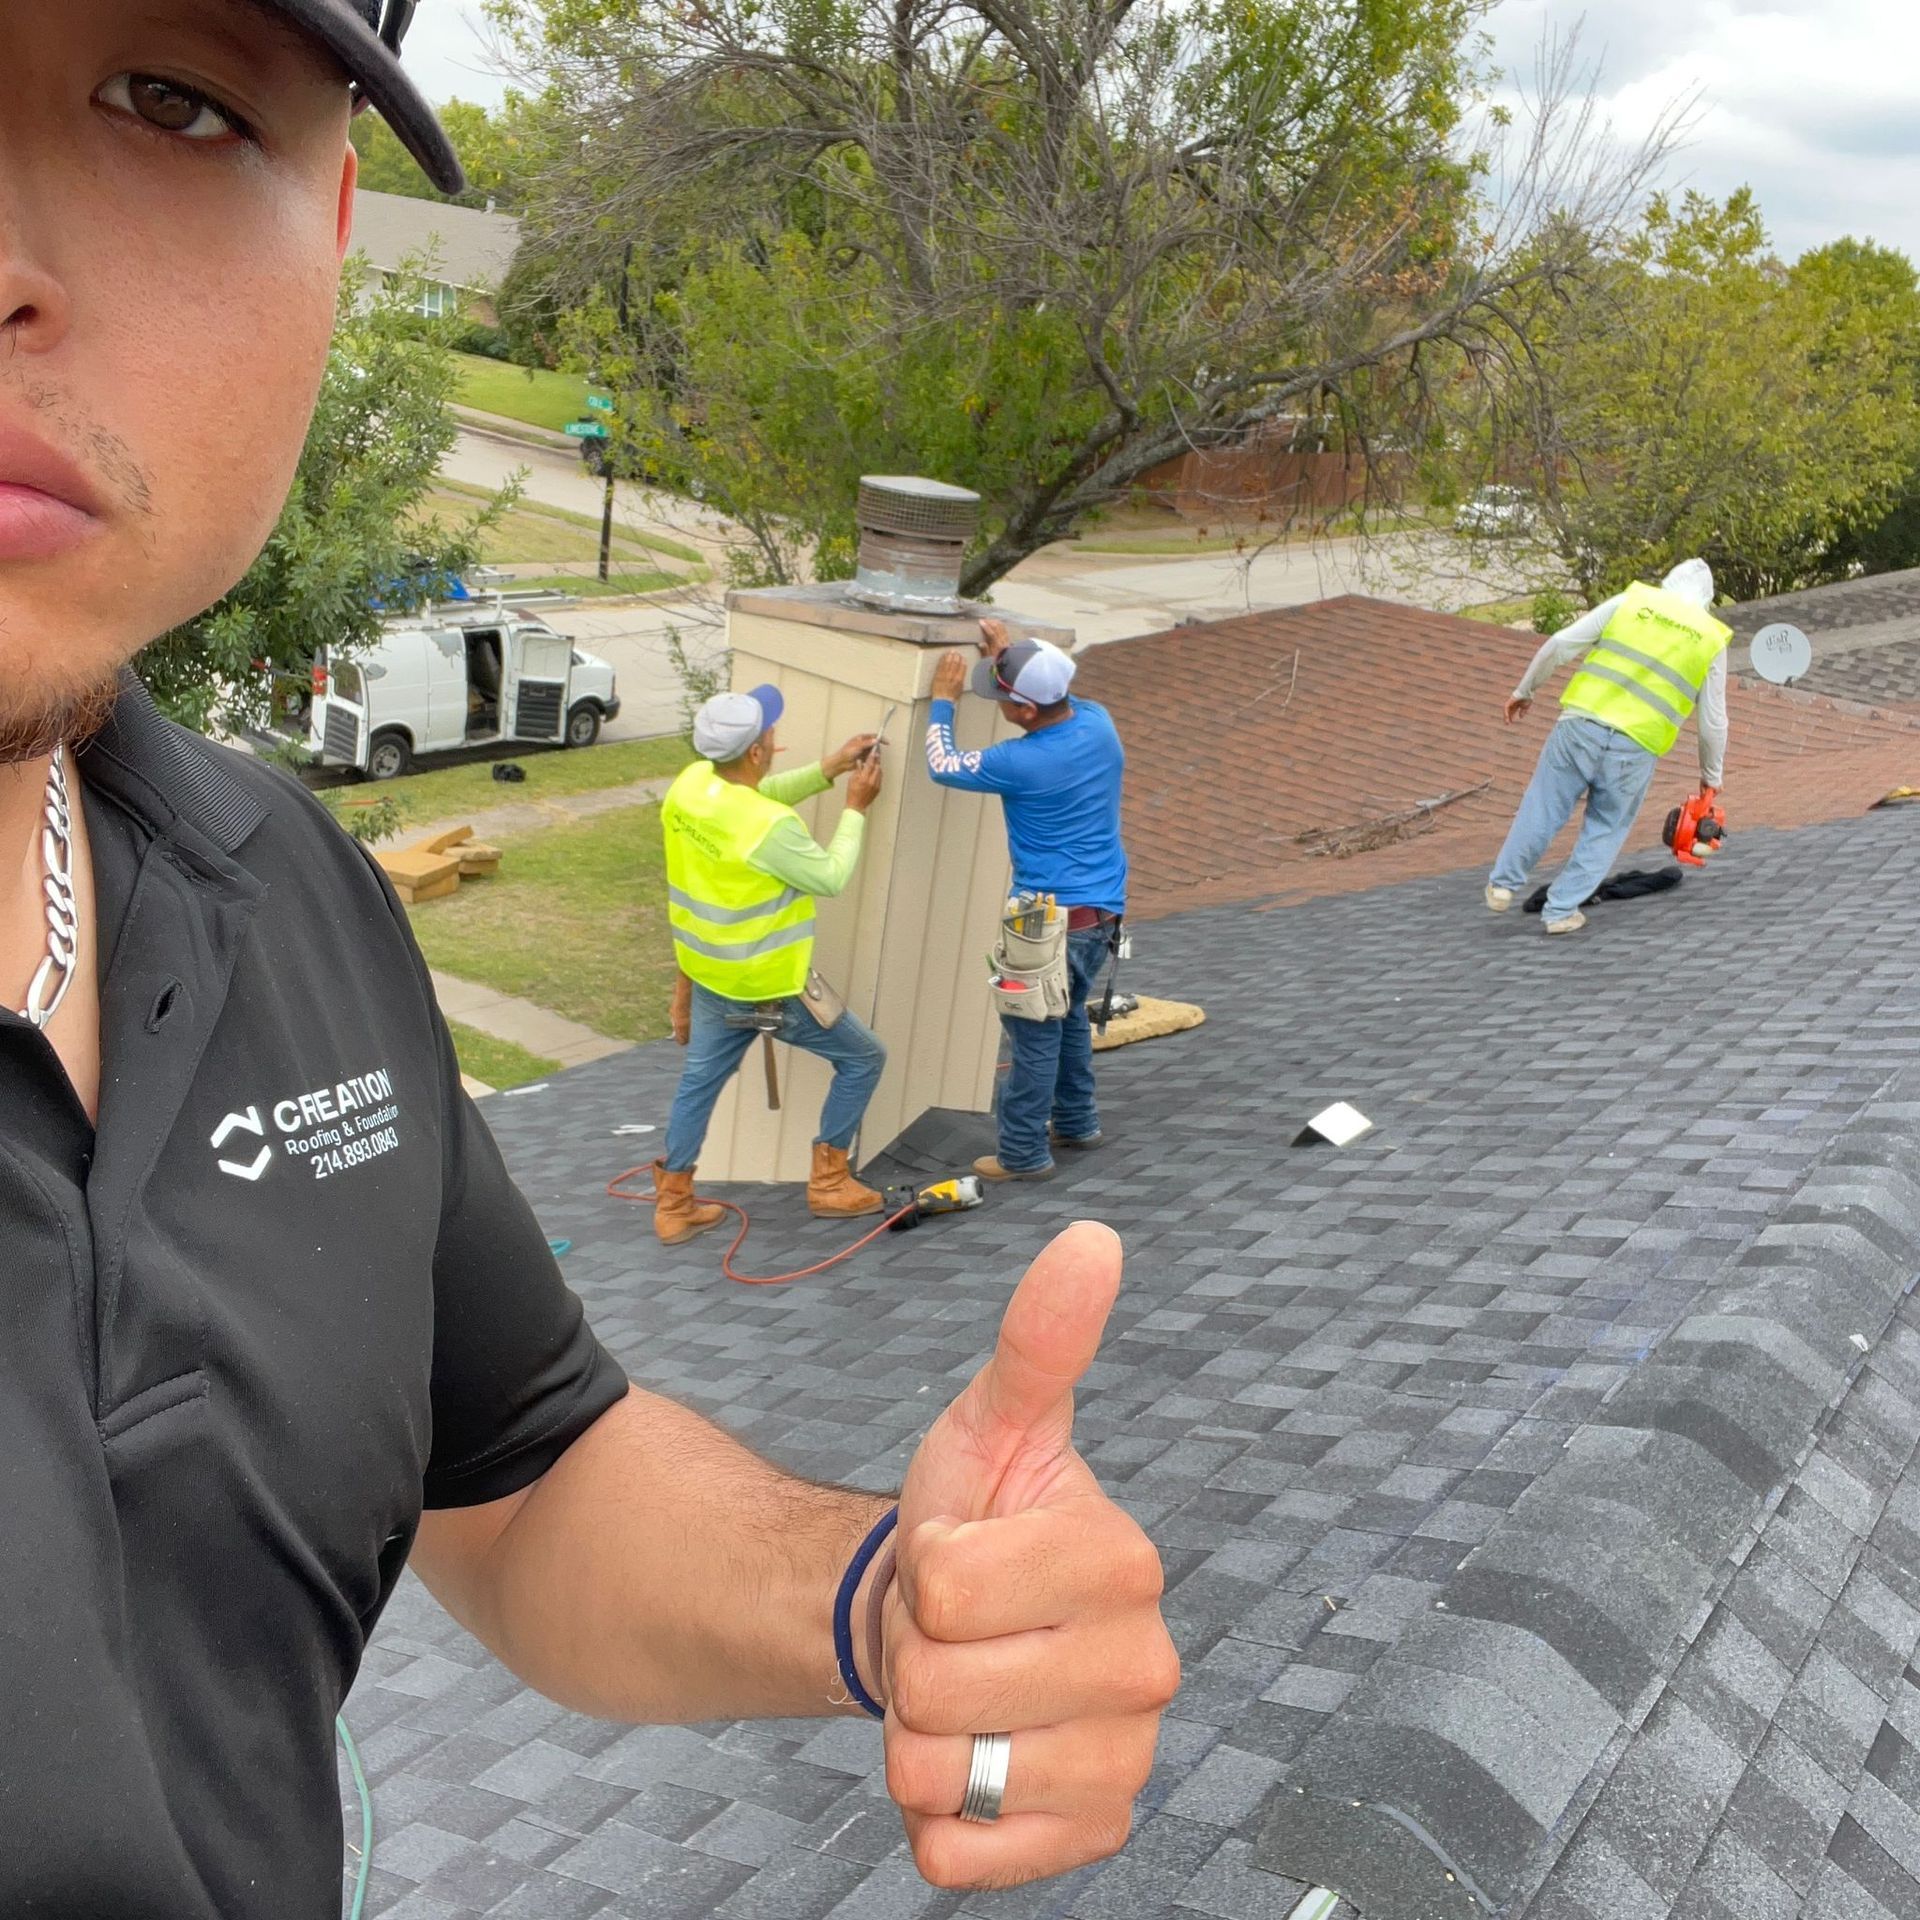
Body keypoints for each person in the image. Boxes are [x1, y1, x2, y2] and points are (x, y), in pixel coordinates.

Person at [0, 7, 1177, 1912]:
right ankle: (839, 1158)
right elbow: (845, 836)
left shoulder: (283, 888)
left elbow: (529, 1473)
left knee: (735, 1077)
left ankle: (706, 1171)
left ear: (334, 236)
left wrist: (882, 1593)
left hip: (732, 973)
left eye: (173, 102)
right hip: (816, 960)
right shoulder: (885, 784)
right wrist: (877, 785)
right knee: (884, 1064)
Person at [657, 685, 889, 1236]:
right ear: (758, 751)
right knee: (864, 1058)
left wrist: (829, 767)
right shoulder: (769, 827)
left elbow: (756, 798)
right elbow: (829, 876)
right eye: (769, 732)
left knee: (697, 1086)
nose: (773, 735)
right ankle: (830, 1182)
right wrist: (855, 807)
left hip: (711, 977)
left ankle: (672, 1206)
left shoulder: (690, 786)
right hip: (770, 987)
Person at [927, 620, 1128, 1181]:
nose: (999, 705)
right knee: (1066, 1016)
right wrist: (1008, 658)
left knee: (1033, 1033)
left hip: (1048, 923)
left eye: (1003, 698)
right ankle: (1077, 1122)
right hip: (1102, 914)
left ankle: (1021, 1154)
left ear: (1026, 710)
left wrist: (943, 702)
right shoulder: (1097, 723)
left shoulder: (1018, 762)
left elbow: (941, 764)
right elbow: (1055, 699)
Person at [1487, 559, 1730, 935]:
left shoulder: (1631, 602)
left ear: (1667, 584)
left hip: (1579, 726)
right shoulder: (1710, 637)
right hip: (1635, 747)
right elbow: (1713, 719)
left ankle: (1502, 886)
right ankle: (1560, 911)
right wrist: (1711, 775)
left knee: (1543, 807)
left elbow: (1560, 644)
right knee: (1604, 828)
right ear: (1705, 601)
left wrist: (1525, 689)